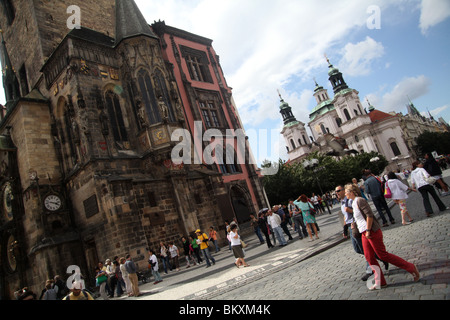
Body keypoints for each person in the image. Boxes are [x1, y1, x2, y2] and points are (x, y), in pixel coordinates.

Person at [344, 183, 420, 290]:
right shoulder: (353, 202)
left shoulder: (360, 200)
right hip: (364, 233)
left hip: (371, 231)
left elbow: (369, 215)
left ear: (351, 192)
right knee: (369, 257)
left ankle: (410, 267)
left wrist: (369, 230)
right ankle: (380, 282)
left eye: (346, 192)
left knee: (383, 255)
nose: (345, 194)